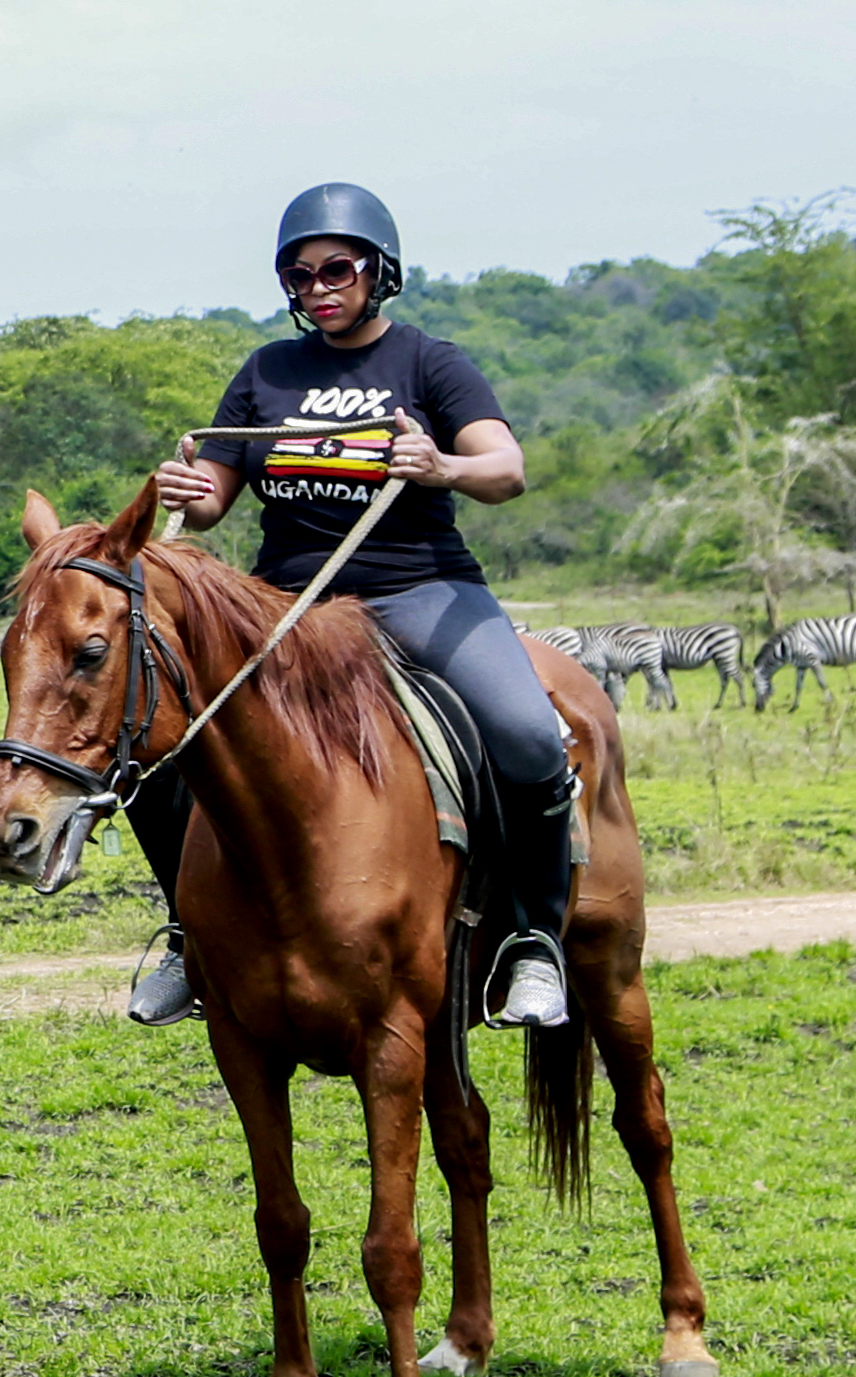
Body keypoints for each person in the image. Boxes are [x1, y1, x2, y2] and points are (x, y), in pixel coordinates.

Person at [136, 187, 576, 1032]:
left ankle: (532, 940)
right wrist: (188, 488)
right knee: (160, 741)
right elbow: (212, 501)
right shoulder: (265, 372)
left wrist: (440, 464)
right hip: (286, 605)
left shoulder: (428, 362)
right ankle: (189, 941)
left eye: (336, 269)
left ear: (379, 271)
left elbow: (506, 469)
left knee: (525, 734)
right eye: (298, 276)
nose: (318, 288)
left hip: (420, 587)